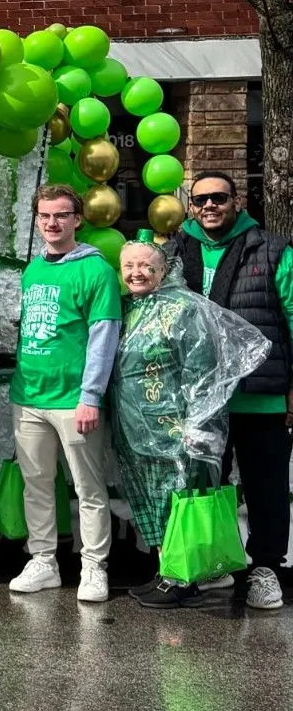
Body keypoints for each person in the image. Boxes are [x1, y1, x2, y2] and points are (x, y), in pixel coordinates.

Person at [111, 240, 270, 610]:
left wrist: (198, 427)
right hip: (137, 429)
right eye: (128, 266)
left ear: (163, 270)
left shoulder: (184, 308)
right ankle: (167, 570)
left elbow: (205, 373)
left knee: (178, 499)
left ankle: (182, 579)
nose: (136, 273)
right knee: (154, 501)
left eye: (145, 266)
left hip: (175, 429)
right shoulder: (128, 308)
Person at [168, 171, 293, 612]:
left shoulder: (273, 249)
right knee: (203, 486)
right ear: (190, 205)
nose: (209, 206)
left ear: (236, 201)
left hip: (258, 394)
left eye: (218, 197)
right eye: (200, 199)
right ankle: (214, 563)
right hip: (198, 400)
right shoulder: (173, 251)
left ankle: (265, 568)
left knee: (266, 487)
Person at [6, 185, 122, 604]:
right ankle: (44, 562)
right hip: (29, 397)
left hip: (74, 400)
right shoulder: (34, 269)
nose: (51, 223)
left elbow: (103, 337)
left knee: (88, 488)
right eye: (44, 216)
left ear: (78, 219)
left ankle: (93, 566)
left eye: (60, 215)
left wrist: (90, 397)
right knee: (36, 484)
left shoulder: (97, 271)